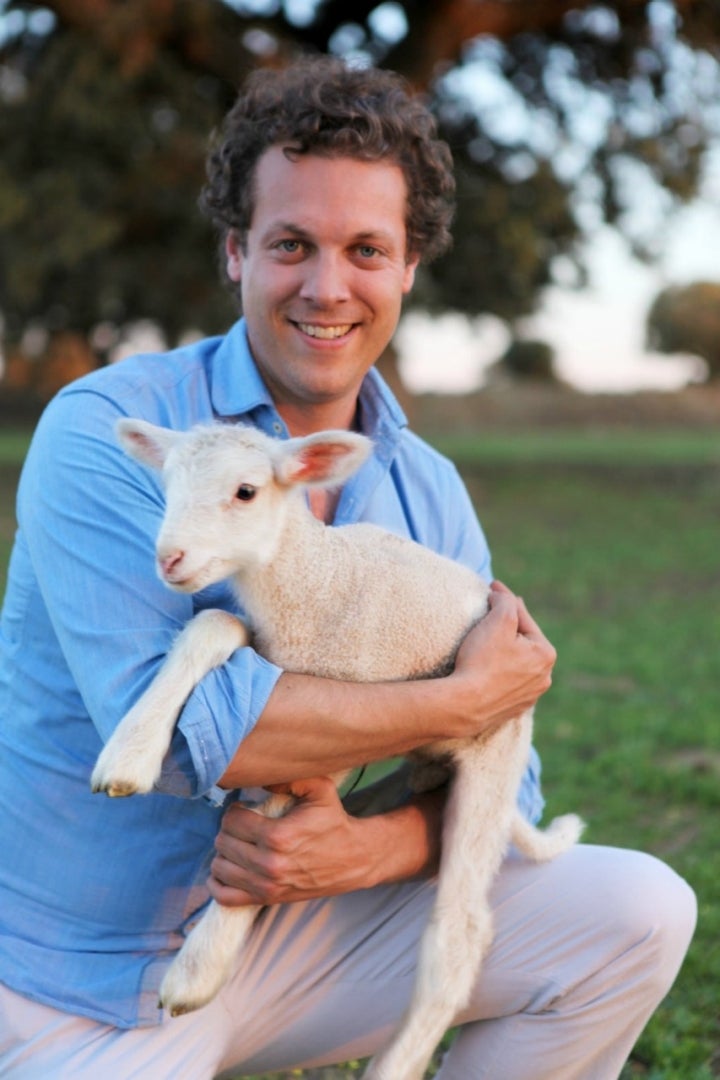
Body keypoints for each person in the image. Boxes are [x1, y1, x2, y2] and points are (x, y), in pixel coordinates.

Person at [0, 57, 695, 1079]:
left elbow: (517, 778)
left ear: (409, 267)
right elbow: (203, 736)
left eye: (367, 249)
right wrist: (461, 700)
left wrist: (366, 851)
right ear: (236, 252)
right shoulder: (112, 433)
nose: (328, 287)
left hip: (306, 927)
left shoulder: (424, 492)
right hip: (78, 980)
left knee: (637, 913)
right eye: (291, 245)